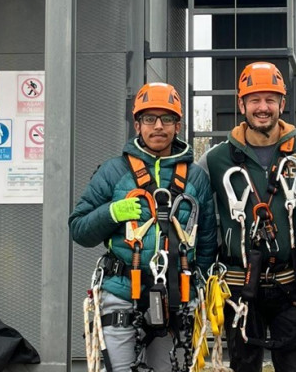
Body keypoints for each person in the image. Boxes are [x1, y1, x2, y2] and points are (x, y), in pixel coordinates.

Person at [69, 82, 217, 372]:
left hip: (176, 297)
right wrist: (112, 212)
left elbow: (208, 241)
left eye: (167, 119)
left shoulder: (196, 178)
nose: (158, 126)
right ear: (137, 124)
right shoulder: (113, 172)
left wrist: (195, 287)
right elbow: (79, 229)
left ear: (178, 125)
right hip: (122, 291)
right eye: (150, 118)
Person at [198, 61, 296, 372]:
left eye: (270, 100)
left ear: (282, 104)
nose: (263, 108)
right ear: (241, 104)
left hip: (294, 284)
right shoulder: (215, 159)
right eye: (255, 99)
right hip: (238, 287)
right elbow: (183, 193)